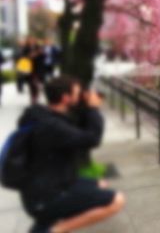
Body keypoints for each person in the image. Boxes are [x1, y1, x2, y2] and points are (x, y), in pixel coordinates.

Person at [18, 76, 125, 232]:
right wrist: (93, 108)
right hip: (45, 194)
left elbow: (77, 131)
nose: (81, 95)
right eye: (77, 93)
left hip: (47, 183)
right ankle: (54, 230)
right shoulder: (52, 126)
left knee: (100, 183)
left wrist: (87, 108)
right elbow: (92, 139)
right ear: (66, 98)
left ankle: (44, 226)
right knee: (116, 200)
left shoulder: (43, 115)